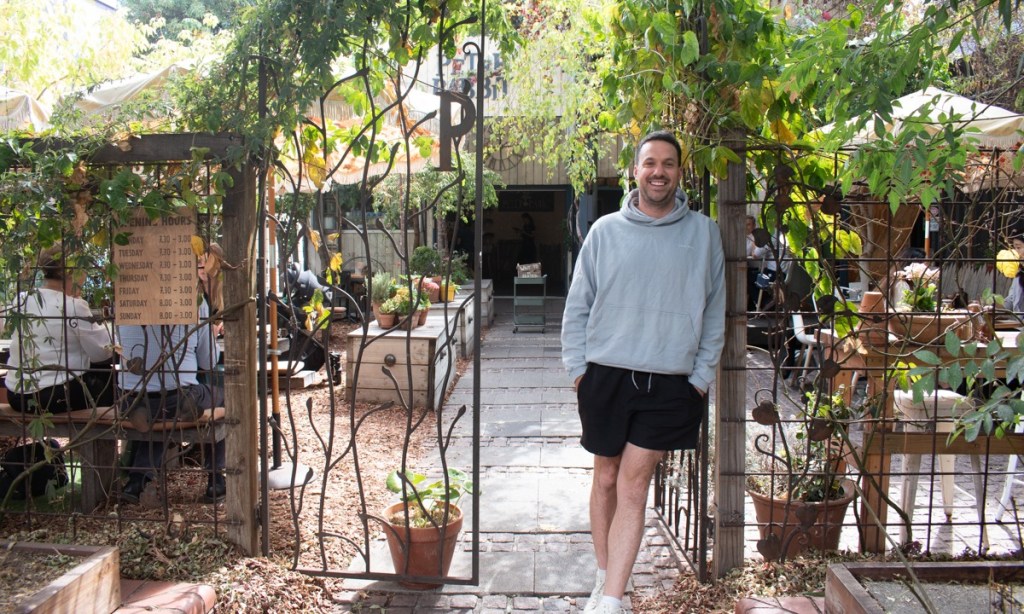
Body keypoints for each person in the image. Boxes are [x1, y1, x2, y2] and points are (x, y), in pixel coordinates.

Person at [561, 130, 725, 614]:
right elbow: (578, 306)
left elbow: (715, 311)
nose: (659, 171)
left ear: (680, 171)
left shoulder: (703, 233)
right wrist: (578, 371)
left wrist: (699, 377)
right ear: (634, 171)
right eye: (649, 162)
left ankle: (612, 602)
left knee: (633, 482)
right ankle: (606, 576)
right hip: (605, 374)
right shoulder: (605, 232)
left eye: (668, 163)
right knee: (606, 477)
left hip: (671, 381)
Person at [116, 298, 224, 504]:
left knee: (159, 414)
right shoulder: (194, 300)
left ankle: (137, 479)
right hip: (177, 394)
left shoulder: (123, 296)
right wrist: (211, 333)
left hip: (130, 396)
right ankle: (215, 479)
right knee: (226, 399)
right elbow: (208, 361)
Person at [5, 244, 114, 413]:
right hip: (53, 396)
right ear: (72, 271)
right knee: (107, 377)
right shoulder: (73, 306)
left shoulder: (21, 299)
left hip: (16, 395)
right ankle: (99, 434)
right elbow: (101, 353)